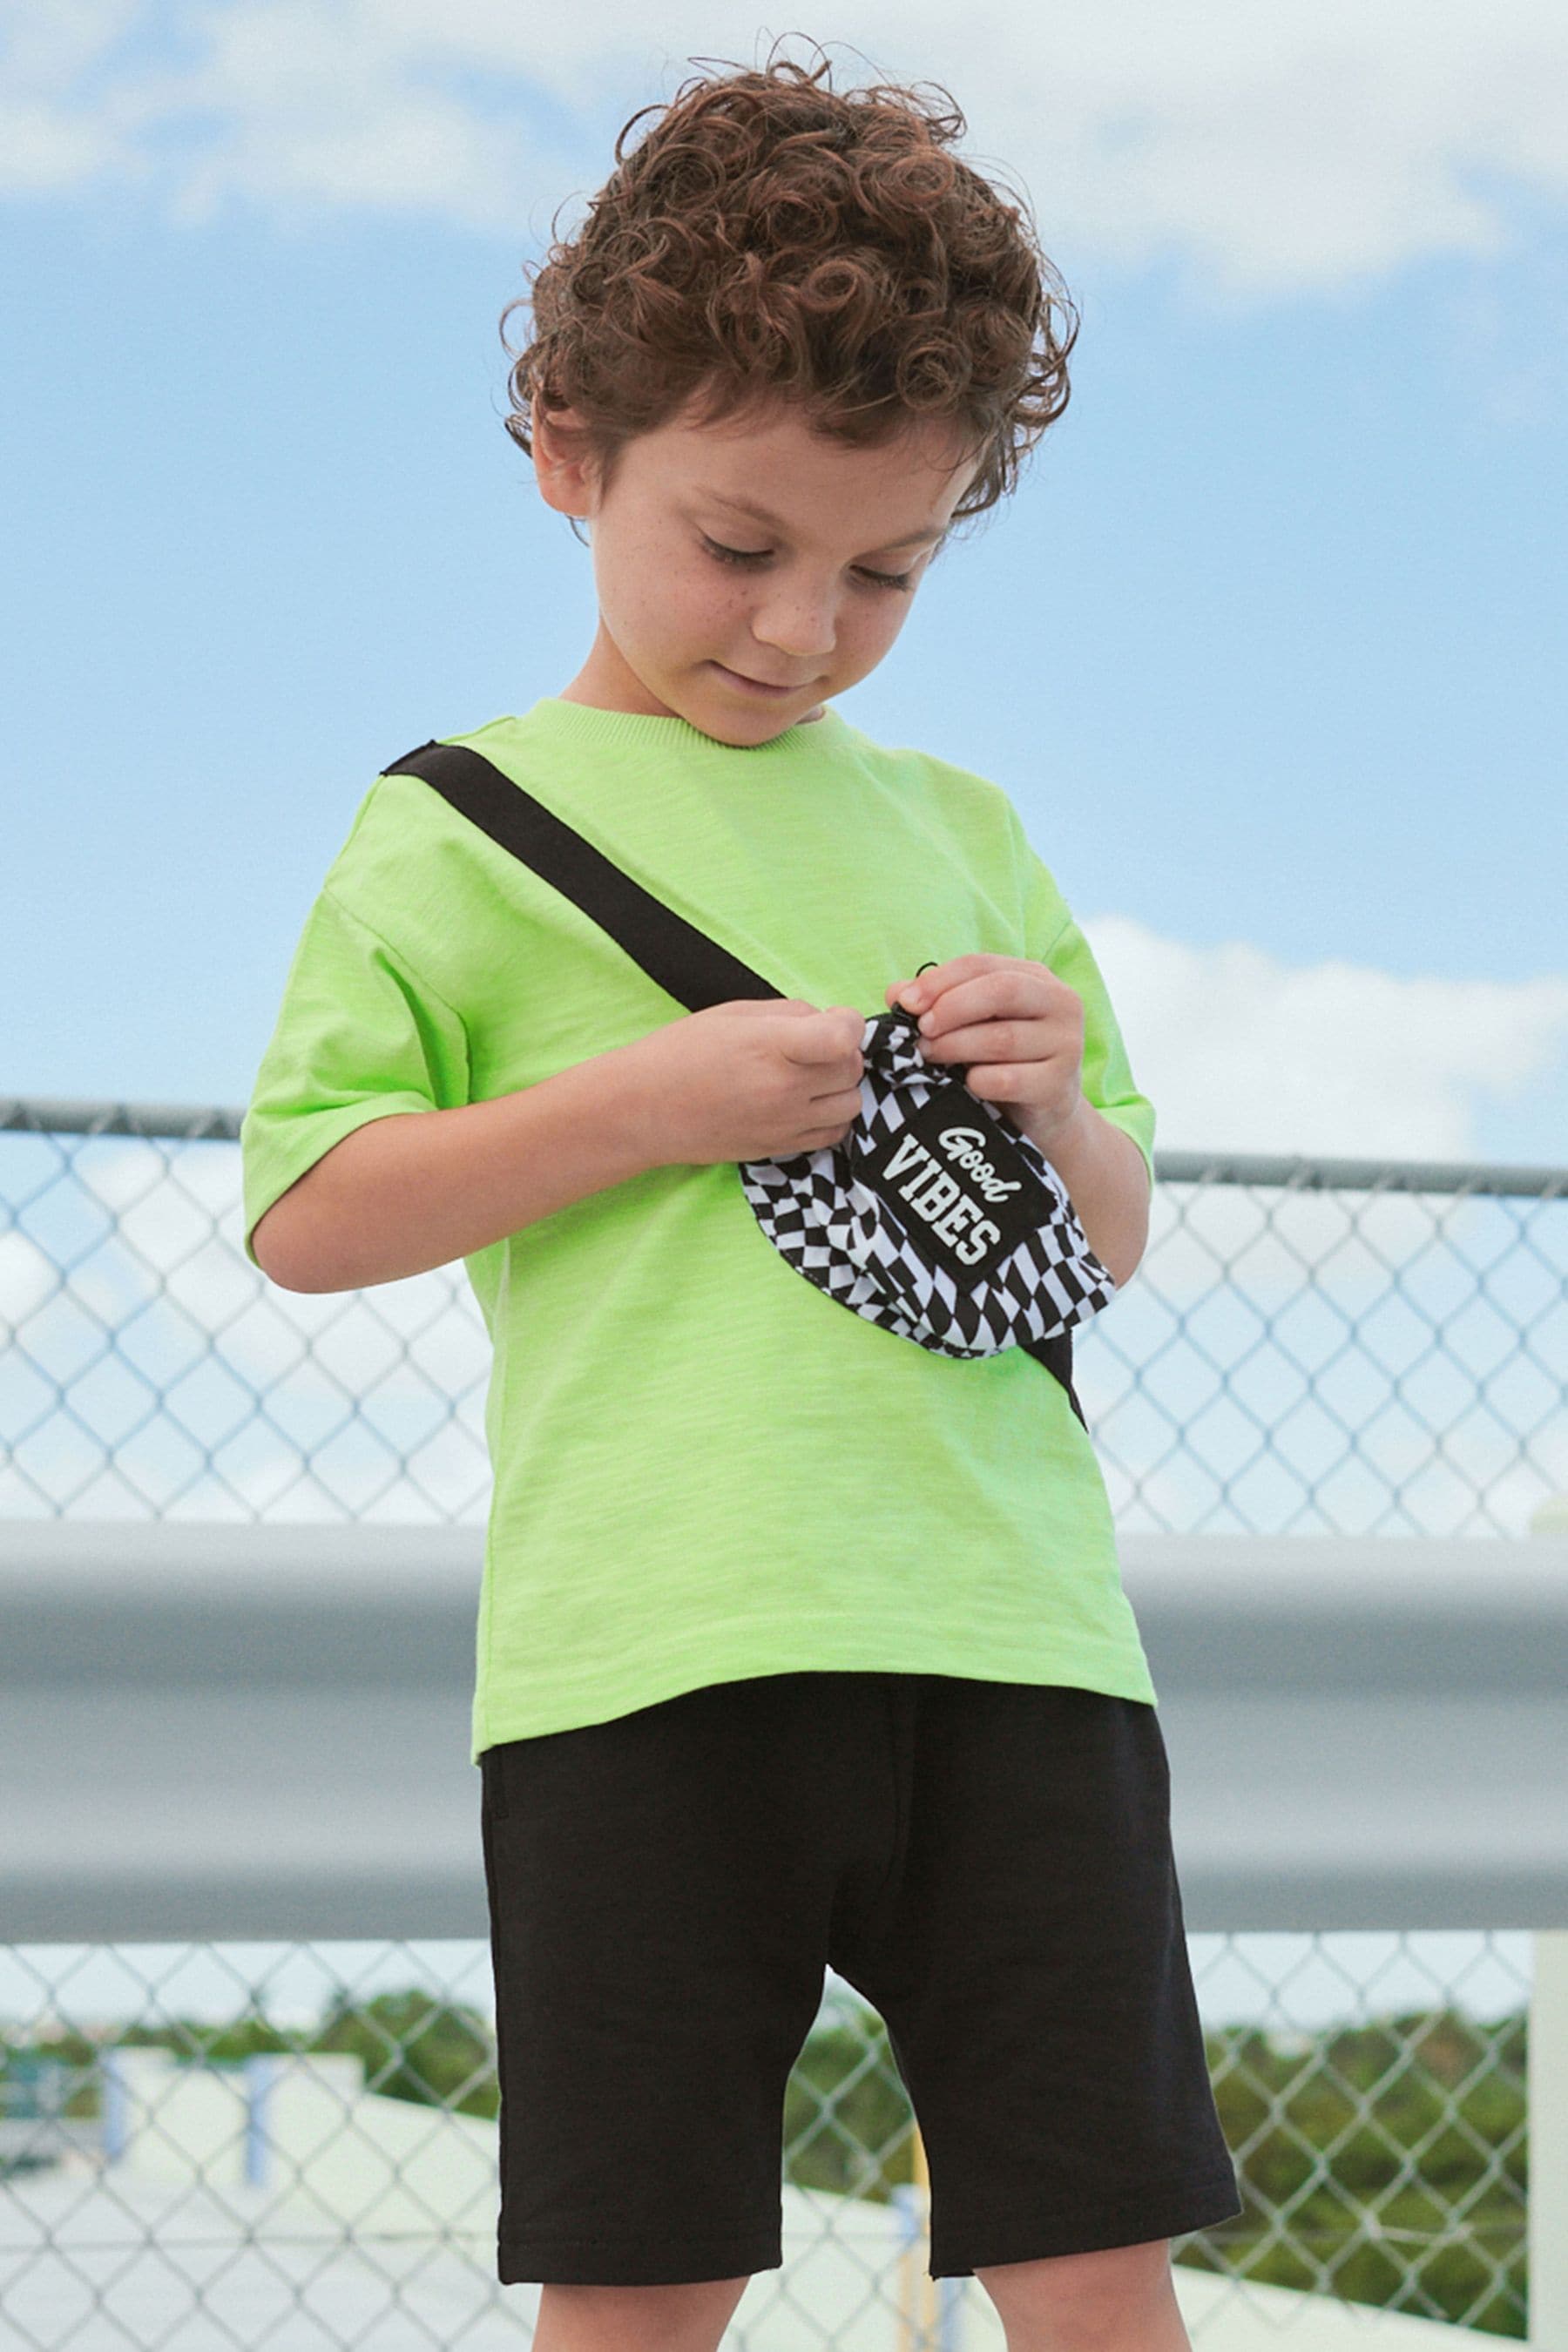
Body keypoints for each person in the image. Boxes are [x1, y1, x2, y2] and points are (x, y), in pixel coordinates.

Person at [240, 41, 1241, 2352]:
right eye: (742, 545)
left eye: (887, 568)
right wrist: (654, 1100)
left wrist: (1059, 1094)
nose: (801, 629)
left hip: (1018, 1631)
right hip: (647, 1644)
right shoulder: (454, 822)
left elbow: (1105, 1228)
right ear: (569, 452)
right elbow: (310, 1206)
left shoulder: (970, 824)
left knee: (1098, 2256)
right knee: (647, 2271)